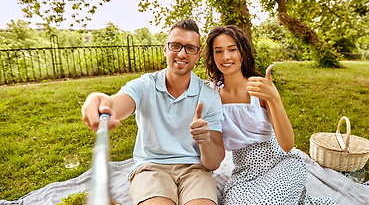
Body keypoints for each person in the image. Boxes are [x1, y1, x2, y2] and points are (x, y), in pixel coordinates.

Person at [81, 19, 225, 205]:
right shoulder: (145, 85)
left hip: (195, 170)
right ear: (165, 49)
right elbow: (116, 104)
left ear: (197, 55)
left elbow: (213, 164)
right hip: (150, 169)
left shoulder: (210, 97)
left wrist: (205, 141)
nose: (182, 53)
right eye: (175, 46)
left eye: (190, 48)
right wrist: (100, 100)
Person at [203, 25, 337, 205]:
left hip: (281, 163)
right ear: (212, 56)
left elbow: (288, 145)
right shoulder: (211, 93)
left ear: (242, 52)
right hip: (243, 174)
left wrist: (274, 99)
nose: (225, 57)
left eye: (232, 49)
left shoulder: (260, 89)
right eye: (218, 51)